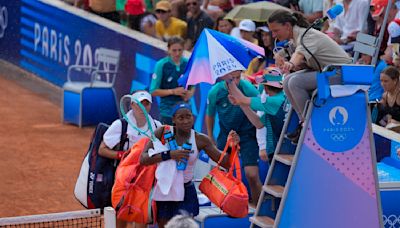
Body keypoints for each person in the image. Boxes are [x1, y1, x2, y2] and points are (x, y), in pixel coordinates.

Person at [140, 103, 240, 228]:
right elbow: (143, 159)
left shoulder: (200, 139)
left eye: (188, 116)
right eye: (181, 118)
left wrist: (231, 148)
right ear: (173, 119)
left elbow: (225, 163)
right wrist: (169, 155)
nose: (186, 121)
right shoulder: (162, 132)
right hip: (165, 190)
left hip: (186, 191)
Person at [268, 10, 352, 143]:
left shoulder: (307, 35)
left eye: (276, 31)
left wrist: (290, 64)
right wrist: (280, 57)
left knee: (295, 82)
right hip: (326, 71)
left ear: (287, 26)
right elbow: (300, 60)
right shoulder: (295, 38)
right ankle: (304, 123)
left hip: (342, 73)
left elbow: (298, 55)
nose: (273, 35)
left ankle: (310, 126)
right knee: (287, 81)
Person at [99, 90, 162, 228]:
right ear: (132, 105)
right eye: (139, 104)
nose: (142, 108)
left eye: (146, 104)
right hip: (123, 180)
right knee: (120, 218)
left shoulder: (157, 126)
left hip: (145, 182)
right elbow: (102, 149)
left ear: (150, 106)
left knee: (140, 219)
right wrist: (122, 155)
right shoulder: (120, 125)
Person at [206, 70, 262, 206]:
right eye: (232, 78)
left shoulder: (248, 89)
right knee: (221, 173)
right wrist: (210, 137)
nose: (235, 82)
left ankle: (258, 207)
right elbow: (210, 115)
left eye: (238, 78)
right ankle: (224, 204)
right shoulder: (215, 92)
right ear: (224, 77)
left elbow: (260, 112)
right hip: (226, 134)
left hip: (247, 134)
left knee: (252, 174)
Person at [228, 71, 287, 163]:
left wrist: (229, 80)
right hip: (280, 148)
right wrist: (241, 104)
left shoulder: (273, 102)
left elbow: (242, 99)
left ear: (266, 88)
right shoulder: (280, 98)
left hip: (282, 149)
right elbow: (259, 124)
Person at [150, 37, 195, 125]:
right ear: (169, 50)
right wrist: (173, 91)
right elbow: (153, 91)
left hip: (185, 112)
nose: (177, 53)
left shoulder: (188, 64)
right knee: (168, 138)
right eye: (174, 50)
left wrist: (190, 93)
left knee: (187, 138)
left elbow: (193, 84)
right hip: (168, 112)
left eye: (180, 50)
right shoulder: (161, 65)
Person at [377, 66, 400, 132]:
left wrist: (398, 124)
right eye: (381, 81)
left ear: (395, 80)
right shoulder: (384, 96)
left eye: (386, 81)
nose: (382, 84)